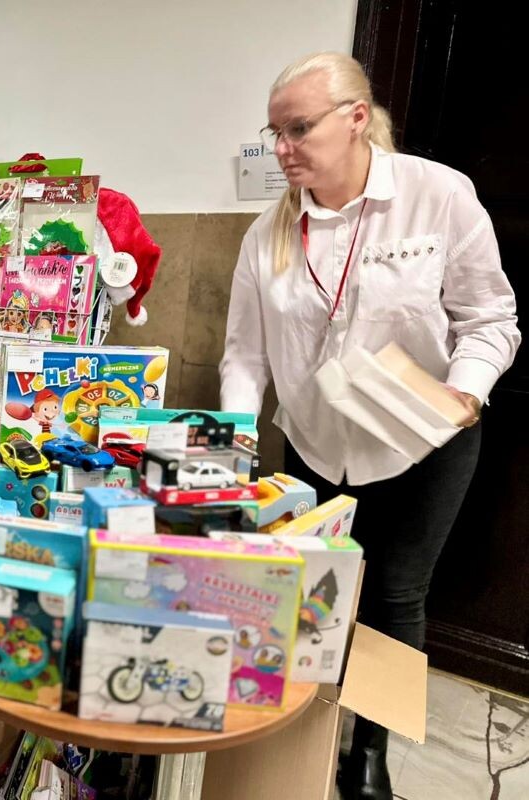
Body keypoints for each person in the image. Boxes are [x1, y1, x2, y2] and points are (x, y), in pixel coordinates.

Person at [220, 52, 519, 800]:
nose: (281, 148)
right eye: (273, 132)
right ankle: (305, 731)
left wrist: (465, 393)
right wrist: (232, 444)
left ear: (355, 117)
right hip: (316, 443)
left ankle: (369, 751)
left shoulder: (436, 195)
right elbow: (245, 356)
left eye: (298, 129)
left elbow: (490, 319)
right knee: (318, 588)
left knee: (395, 594)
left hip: (424, 441)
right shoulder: (267, 235)